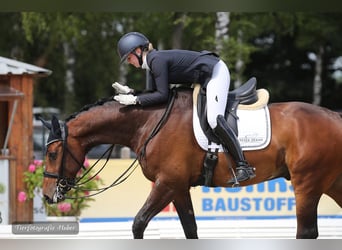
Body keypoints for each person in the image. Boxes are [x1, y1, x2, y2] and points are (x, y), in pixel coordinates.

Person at [113, 31, 255, 184]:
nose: (129, 62)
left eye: (129, 58)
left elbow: (162, 95)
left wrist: (134, 100)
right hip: (204, 77)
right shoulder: (152, 63)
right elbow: (153, 95)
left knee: (214, 119)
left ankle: (243, 165)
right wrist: (132, 92)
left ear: (139, 51)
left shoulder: (156, 60)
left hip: (216, 73)